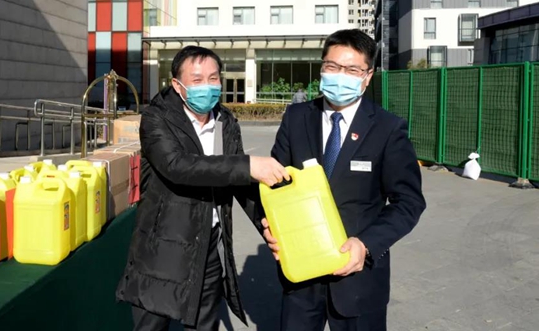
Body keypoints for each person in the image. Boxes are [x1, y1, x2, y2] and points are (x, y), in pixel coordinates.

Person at [117, 45, 288, 331]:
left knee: (204, 324)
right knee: (151, 325)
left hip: (210, 247)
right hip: (164, 247)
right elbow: (177, 165)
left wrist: (268, 225)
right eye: (197, 80)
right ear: (178, 85)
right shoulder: (157, 118)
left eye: (213, 78)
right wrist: (247, 165)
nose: (207, 87)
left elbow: (239, 183)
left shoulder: (226, 121)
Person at [265, 29, 426, 331]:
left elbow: (408, 202)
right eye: (332, 66)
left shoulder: (388, 128)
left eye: (352, 70)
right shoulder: (296, 117)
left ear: (367, 76)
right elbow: (275, 184)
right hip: (302, 276)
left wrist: (366, 244)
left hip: (359, 279)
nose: (340, 76)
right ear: (322, 68)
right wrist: (269, 227)